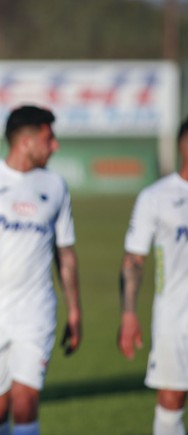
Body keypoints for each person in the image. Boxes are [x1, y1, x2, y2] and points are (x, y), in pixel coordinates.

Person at [0, 105, 81, 435]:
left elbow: (65, 253)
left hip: (36, 311)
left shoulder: (56, 186)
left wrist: (75, 311)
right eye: (49, 139)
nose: (55, 146)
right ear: (26, 141)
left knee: (25, 402)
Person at [118, 118, 188, 435]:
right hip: (174, 317)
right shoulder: (156, 196)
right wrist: (129, 314)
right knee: (172, 398)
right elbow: (134, 259)